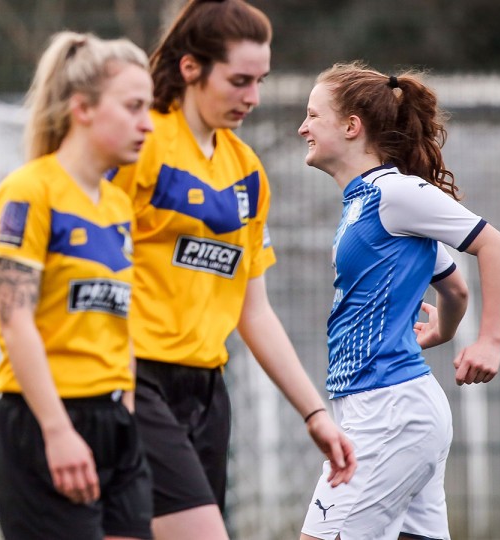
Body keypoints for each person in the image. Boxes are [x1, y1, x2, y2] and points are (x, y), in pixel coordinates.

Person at [105, 1, 356, 538]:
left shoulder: (246, 171)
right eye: (239, 80)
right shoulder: (139, 144)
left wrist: (314, 413)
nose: (254, 97)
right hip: (132, 378)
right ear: (192, 67)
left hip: (205, 395)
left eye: (260, 80)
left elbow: (254, 309)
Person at [296, 62, 500, 540]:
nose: (302, 128)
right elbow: (454, 287)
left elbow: (494, 244)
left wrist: (489, 341)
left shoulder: (393, 192)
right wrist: (443, 332)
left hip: (389, 413)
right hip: (391, 411)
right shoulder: (364, 203)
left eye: (313, 116)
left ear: (352, 127)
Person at [0, 31, 155, 540]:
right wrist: (58, 431)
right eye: (132, 107)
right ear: (82, 108)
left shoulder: (117, 204)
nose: (147, 123)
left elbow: (117, 319)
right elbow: (15, 325)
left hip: (114, 421)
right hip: (43, 423)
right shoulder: (28, 192)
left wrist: (123, 402)